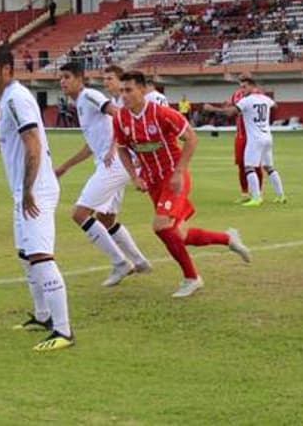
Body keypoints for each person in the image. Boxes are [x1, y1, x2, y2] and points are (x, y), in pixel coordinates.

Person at [113, 70, 251, 298]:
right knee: (179, 234)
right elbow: (121, 149)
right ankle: (228, 238)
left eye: (129, 90)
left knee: (160, 226)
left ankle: (192, 277)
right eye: (122, 91)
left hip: (174, 178)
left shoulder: (162, 113)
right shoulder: (120, 118)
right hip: (154, 182)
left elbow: (191, 138)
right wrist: (134, 176)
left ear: (142, 89)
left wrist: (179, 172)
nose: (124, 95)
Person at [0, 44, 73, 352]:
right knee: (25, 255)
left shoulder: (16, 97)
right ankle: (43, 316)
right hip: (24, 189)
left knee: (40, 256)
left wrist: (30, 189)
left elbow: (32, 143)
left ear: (7, 69)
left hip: (36, 189)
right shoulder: (8, 99)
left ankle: (63, 330)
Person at [54, 63, 151, 287]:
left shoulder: (89, 96)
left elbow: (117, 114)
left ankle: (120, 263)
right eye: (61, 78)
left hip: (115, 163)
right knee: (106, 219)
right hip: (112, 163)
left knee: (79, 214)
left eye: (67, 77)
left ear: (80, 79)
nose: (63, 82)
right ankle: (139, 261)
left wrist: (114, 146)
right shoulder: (81, 104)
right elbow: (90, 146)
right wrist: (65, 167)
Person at [203, 77, 287, 206]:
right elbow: (275, 105)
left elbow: (229, 113)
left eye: (244, 87)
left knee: (248, 167)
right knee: (269, 167)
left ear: (252, 87)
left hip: (255, 138)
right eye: (241, 87)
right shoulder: (264, 98)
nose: (242, 90)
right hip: (267, 137)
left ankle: (256, 197)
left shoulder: (247, 101)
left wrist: (212, 109)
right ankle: (281, 195)